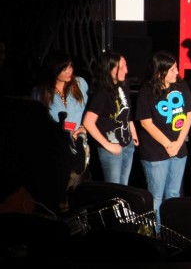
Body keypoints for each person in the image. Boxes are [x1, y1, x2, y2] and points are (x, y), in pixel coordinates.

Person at [135, 51, 191, 225]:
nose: (177, 72)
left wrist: (179, 143)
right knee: (157, 196)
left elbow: (188, 114)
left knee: (174, 194)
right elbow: (146, 123)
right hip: (156, 152)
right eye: (173, 69)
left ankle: (172, 230)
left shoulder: (181, 86)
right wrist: (169, 144)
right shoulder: (146, 91)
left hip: (178, 149)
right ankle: (158, 232)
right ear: (161, 72)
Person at [31, 49, 90, 209]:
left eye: (71, 66)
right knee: (59, 196)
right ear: (54, 69)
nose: (69, 71)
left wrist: (85, 127)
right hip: (57, 149)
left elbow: (91, 110)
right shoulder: (40, 92)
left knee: (79, 193)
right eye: (64, 68)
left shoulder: (80, 83)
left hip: (79, 146)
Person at [83, 51, 139, 185]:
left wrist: (133, 131)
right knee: (114, 188)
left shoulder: (123, 85)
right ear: (110, 69)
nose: (126, 70)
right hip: (111, 147)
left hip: (127, 143)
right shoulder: (102, 92)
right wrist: (108, 145)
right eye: (121, 67)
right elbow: (88, 122)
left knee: (124, 186)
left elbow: (127, 110)